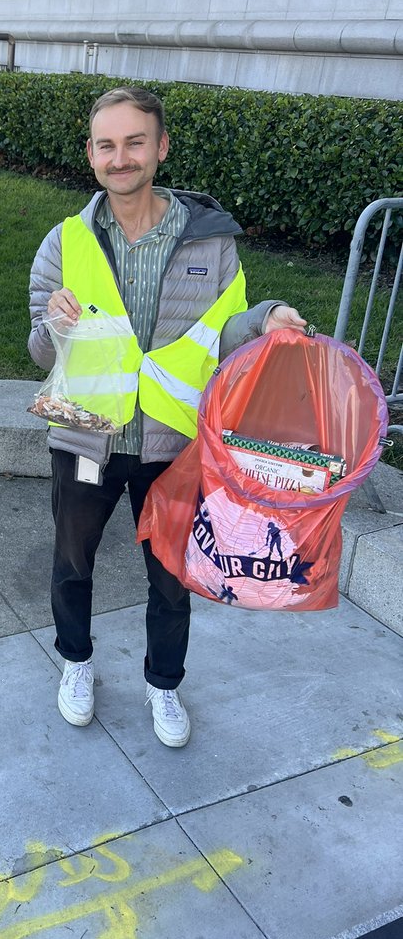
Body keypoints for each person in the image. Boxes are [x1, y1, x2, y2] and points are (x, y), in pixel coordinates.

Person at [28, 86, 306, 747]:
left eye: (133, 142)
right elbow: (40, 351)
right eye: (106, 144)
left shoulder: (209, 241)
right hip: (85, 433)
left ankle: (164, 684)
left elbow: (228, 331)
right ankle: (76, 662)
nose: (119, 158)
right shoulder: (65, 241)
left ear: (160, 148)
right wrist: (53, 326)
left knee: (172, 576)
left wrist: (265, 319)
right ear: (91, 153)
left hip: (173, 442)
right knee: (72, 562)